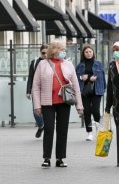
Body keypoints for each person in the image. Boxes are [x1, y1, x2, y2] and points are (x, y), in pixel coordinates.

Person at [32, 39, 83, 168]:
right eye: (62, 50)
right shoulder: (42, 64)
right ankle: (47, 158)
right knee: (49, 129)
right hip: (47, 102)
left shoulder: (68, 64)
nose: (63, 52)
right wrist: (37, 105)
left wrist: (79, 105)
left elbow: (76, 85)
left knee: (62, 130)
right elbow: (35, 86)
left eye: (64, 50)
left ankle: (60, 158)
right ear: (54, 51)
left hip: (64, 102)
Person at [75, 45, 106, 141]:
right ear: (83, 54)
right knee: (87, 111)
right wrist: (82, 78)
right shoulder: (80, 65)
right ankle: (89, 133)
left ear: (93, 53)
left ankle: (99, 128)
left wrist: (94, 79)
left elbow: (101, 77)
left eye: (90, 52)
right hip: (84, 91)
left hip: (96, 90)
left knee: (95, 110)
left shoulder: (98, 64)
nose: (88, 53)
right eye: (86, 52)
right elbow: (76, 77)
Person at [26, 44, 48, 138]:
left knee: (47, 111)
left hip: (48, 90)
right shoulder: (35, 62)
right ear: (40, 52)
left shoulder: (51, 62)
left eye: (47, 53)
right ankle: (41, 126)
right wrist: (28, 91)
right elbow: (30, 77)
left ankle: (47, 128)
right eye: (43, 53)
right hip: (36, 89)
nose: (45, 55)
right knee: (36, 111)